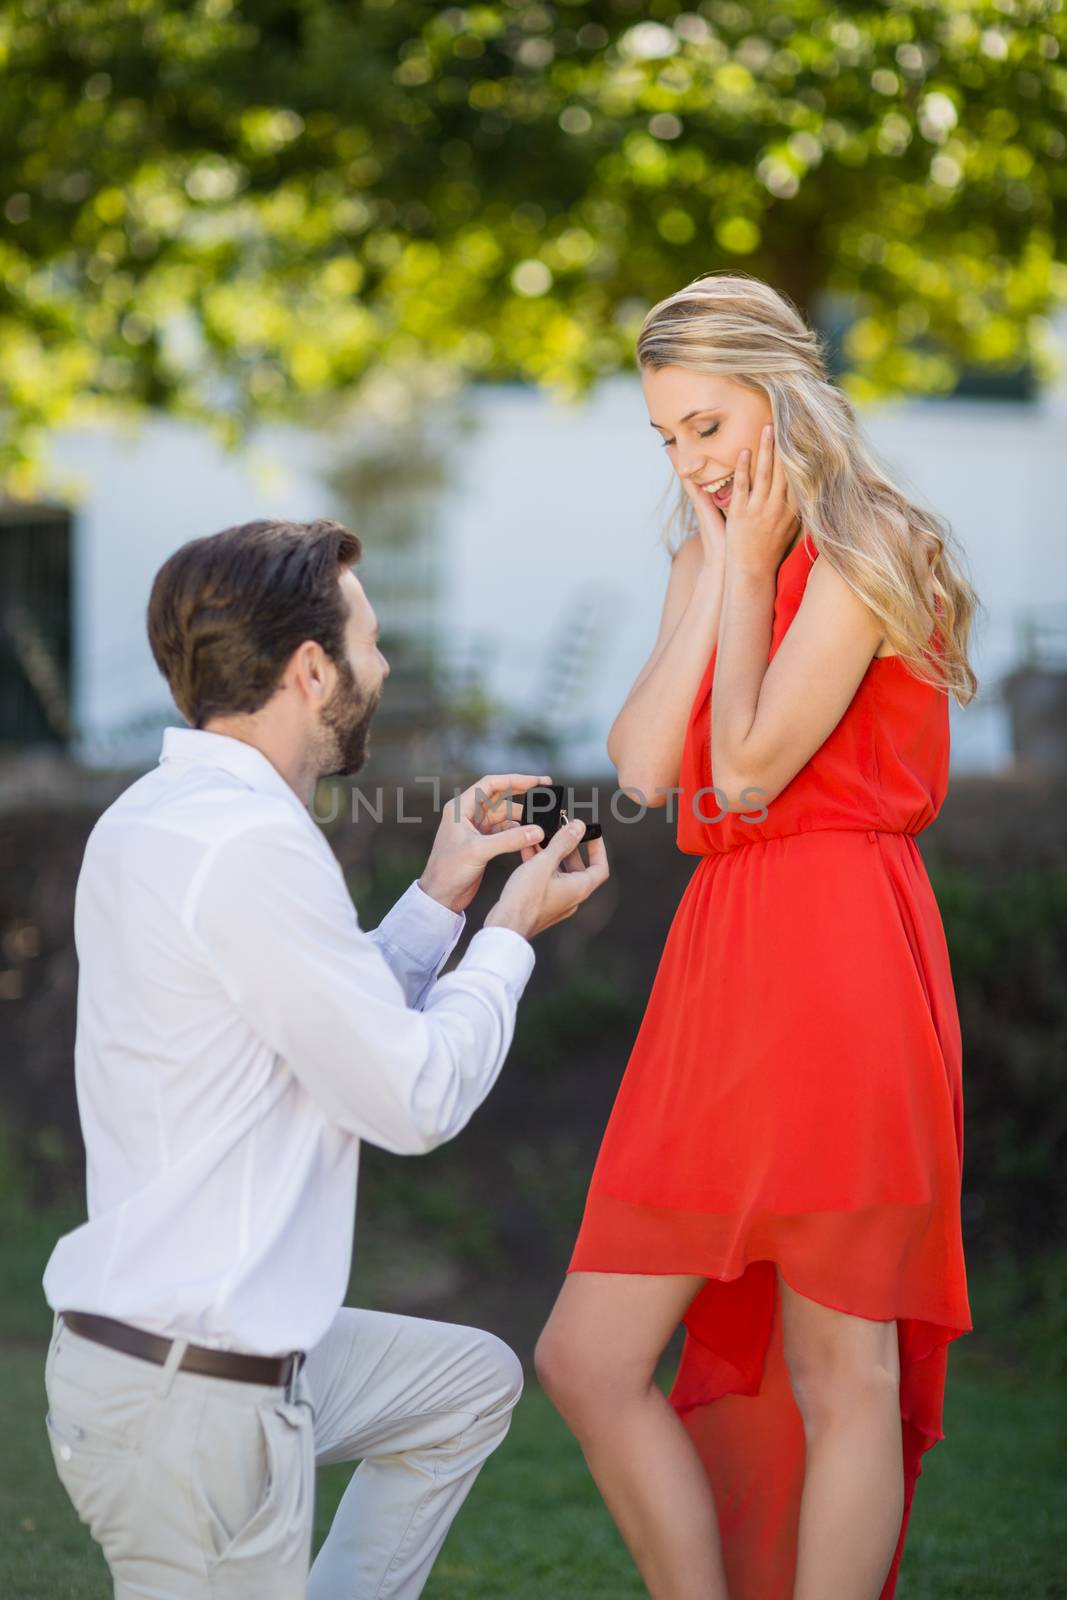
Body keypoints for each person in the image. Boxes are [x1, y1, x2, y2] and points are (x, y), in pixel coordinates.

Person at [41, 515, 609, 1599]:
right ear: (311, 669)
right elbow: (409, 1093)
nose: (381, 664)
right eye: (368, 639)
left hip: (176, 1352)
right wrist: (506, 936)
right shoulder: (250, 842)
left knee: (464, 1382)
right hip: (193, 1396)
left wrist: (442, 895)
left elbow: (314, 1027)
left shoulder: (167, 813)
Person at [535, 273, 979, 1600]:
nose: (687, 461)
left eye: (707, 427)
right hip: (722, 963)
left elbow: (734, 776)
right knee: (584, 1357)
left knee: (841, 1364)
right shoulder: (703, 548)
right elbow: (634, 764)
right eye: (665, 436)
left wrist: (739, 576)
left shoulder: (861, 550)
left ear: (780, 398)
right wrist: (714, 564)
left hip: (838, 942)